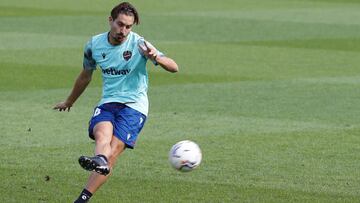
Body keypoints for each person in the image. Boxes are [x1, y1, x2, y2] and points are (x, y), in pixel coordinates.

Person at [53, 2, 178, 202]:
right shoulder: (94, 45)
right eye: (120, 24)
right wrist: (69, 101)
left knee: (113, 153)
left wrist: (157, 58)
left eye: (128, 26)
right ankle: (100, 160)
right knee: (102, 135)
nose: (123, 30)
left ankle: (83, 197)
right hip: (108, 102)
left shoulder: (140, 44)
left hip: (134, 106)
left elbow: (174, 67)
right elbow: (85, 76)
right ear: (110, 20)